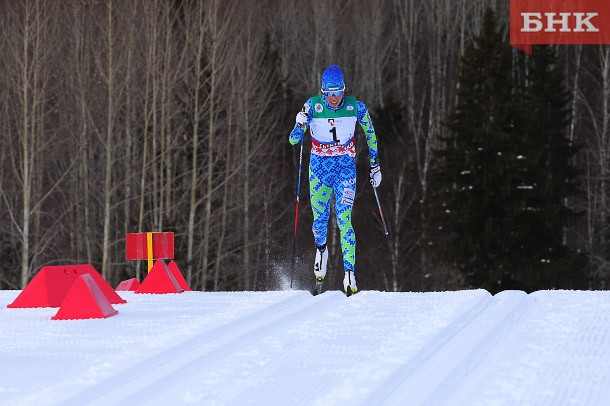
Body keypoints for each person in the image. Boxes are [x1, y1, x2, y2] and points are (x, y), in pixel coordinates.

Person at [289, 65, 381, 296]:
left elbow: (370, 133)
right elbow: (293, 141)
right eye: (328, 93)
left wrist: (375, 165)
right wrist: (299, 123)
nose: (332, 99)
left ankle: (349, 272)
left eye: (337, 93)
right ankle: (322, 251)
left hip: (345, 170)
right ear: (322, 92)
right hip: (319, 171)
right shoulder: (313, 106)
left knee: (344, 219)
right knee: (319, 223)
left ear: (344, 89)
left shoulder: (355, 107)